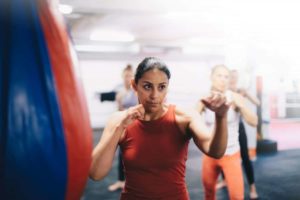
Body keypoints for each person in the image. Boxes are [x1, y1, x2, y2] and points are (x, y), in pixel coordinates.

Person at [90, 57, 230, 200]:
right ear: (134, 85)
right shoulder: (119, 119)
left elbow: (216, 152)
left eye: (161, 87)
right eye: (147, 86)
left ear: (167, 88)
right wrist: (120, 127)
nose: (154, 95)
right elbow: (95, 173)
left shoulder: (184, 117)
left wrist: (221, 117)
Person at [197, 65, 258, 200]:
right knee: (209, 194)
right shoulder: (204, 98)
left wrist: (240, 105)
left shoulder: (235, 97)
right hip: (209, 154)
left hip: (231, 154)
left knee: (237, 197)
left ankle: (252, 186)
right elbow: (192, 120)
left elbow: (254, 122)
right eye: (219, 75)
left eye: (226, 76)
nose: (223, 80)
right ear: (211, 77)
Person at [108, 64, 138, 192]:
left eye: (130, 76)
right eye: (126, 76)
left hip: (136, 125)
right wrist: (119, 102)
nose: (128, 78)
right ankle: (121, 181)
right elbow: (119, 110)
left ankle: (135, 182)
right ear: (122, 77)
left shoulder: (137, 90)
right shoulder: (119, 90)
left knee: (135, 155)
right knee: (121, 154)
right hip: (123, 125)